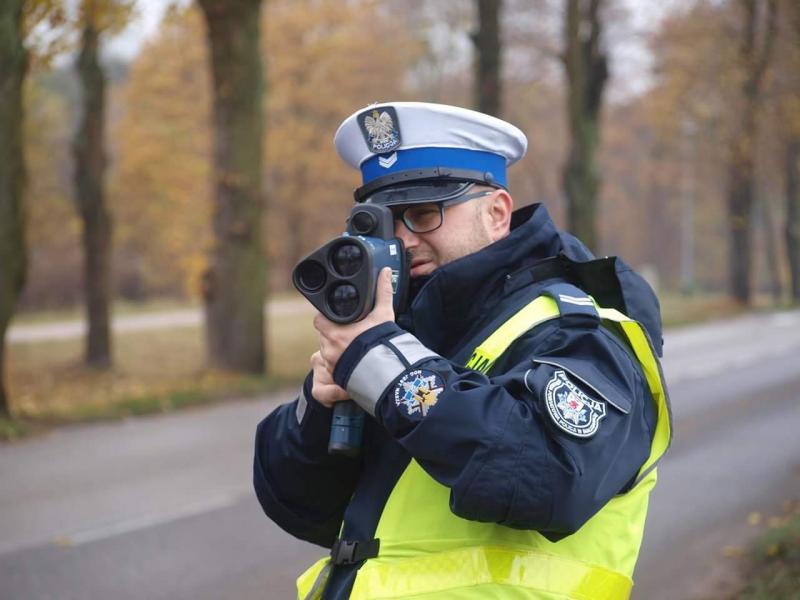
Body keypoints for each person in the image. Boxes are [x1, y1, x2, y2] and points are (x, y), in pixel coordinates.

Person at [253, 102, 671, 600]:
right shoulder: (402, 329)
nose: (402, 240)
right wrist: (320, 409)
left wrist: (391, 373)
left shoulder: (579, 329)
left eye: (424, 214)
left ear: (496, 213)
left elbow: (546, 479)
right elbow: (302, 508)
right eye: (384, 222)